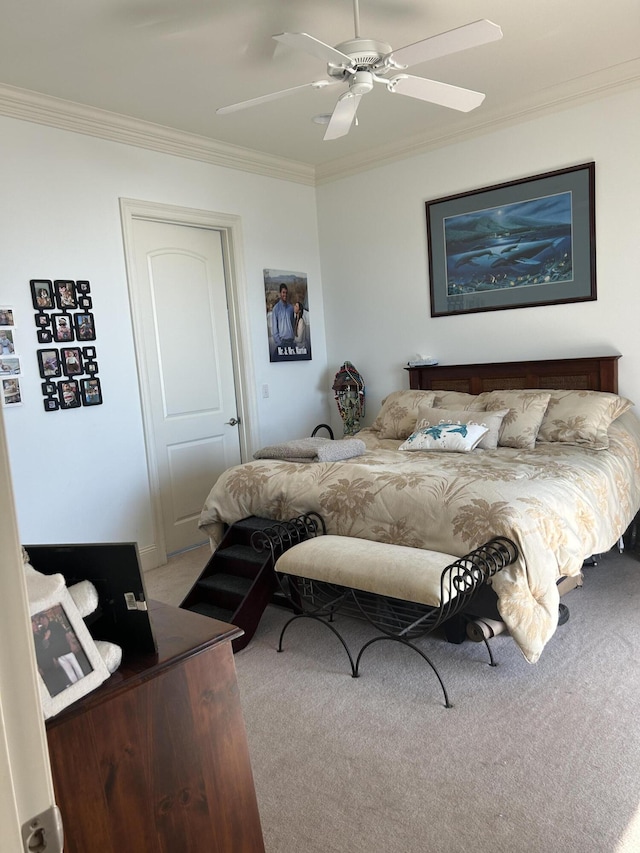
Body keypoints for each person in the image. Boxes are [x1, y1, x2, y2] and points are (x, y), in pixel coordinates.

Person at [271, 284, 295, 351]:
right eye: (283, 292)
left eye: (286, 293)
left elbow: (293, 324)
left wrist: (293, 338)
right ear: (280, 293)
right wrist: (280, 343)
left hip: (291, 342)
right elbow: (274, 329)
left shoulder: (291, 308)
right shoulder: (276, 309)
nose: (285, 294)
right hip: (282, 343)